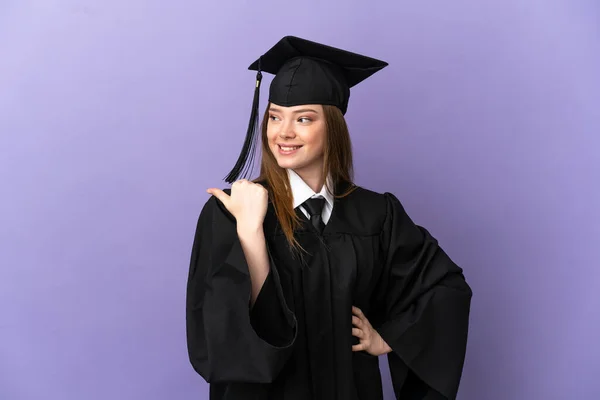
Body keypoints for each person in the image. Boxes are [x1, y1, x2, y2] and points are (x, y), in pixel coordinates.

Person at [185, 36, 472, 400]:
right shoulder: (231, 211)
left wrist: (389, 337)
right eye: (274, 116)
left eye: (303, 118)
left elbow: (444, 287)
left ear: (332, 127)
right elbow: (224, 336)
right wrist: (251, 231)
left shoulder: (376, 215)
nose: (284, 132)